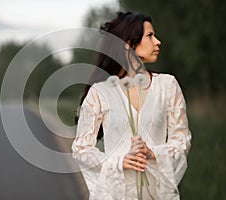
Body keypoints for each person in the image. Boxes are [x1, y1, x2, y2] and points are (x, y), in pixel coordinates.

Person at [72, 11, 191, 199]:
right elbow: (81, 149)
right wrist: (118, 161)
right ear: (128, 45)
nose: (157, 42)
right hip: (116, 194)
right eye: (150, 36)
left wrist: (154, 153)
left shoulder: (168, 85)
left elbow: (182, 140)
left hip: (157, 194)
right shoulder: (100, 92)